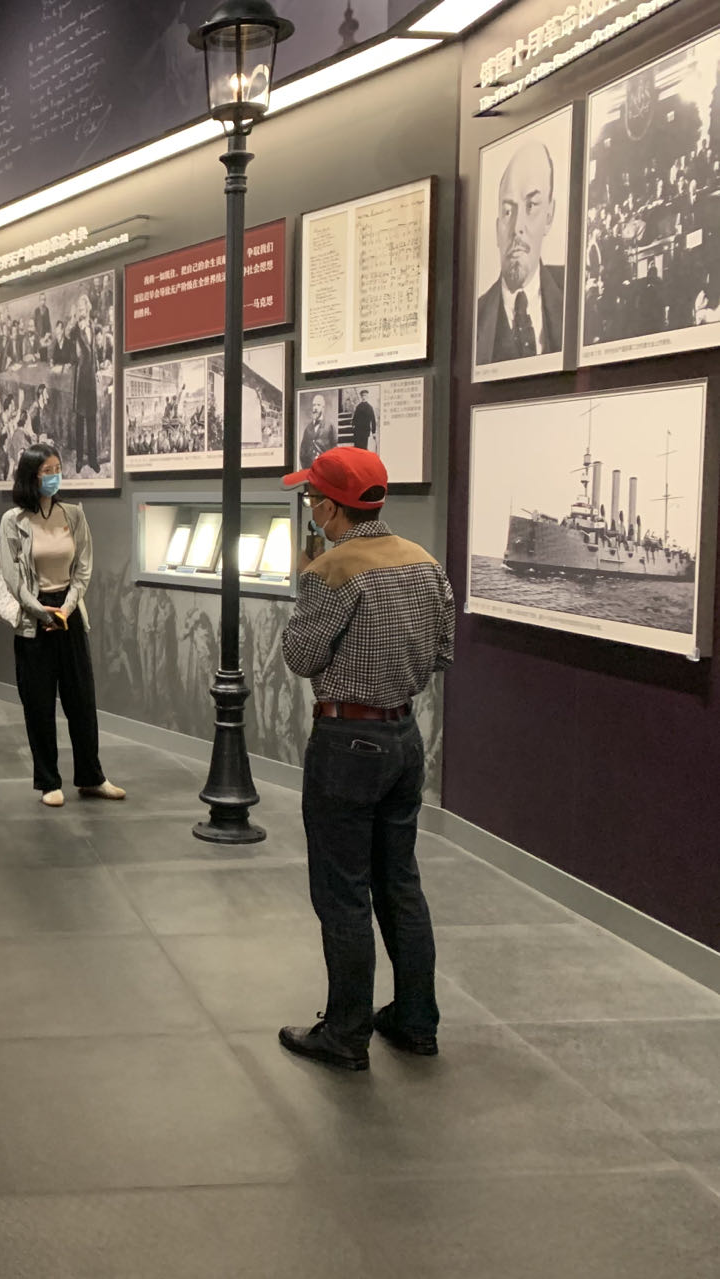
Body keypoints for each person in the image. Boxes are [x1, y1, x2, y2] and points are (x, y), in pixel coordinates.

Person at [276, 446, 455, 1073]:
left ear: (330, 507)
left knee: (342, 890)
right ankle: (416, 1021)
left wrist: (306, 579)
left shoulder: (332, 571)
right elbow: (442, 652)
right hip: (404, 737)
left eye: (310, 498)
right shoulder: (425, 563)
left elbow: (301, 657)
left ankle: (346, 1033)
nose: (309, 507)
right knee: (399, 882)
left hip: (345, 742)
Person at [0, 445, 126, 808]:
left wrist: (66, 610)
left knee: (81, 699)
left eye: (57, 468)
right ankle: (48, 781)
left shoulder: (73, 514)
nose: (54, 476)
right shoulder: (13, 520)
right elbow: (12, 577)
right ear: (30, 475)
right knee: (38, 703)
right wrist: (41, 612)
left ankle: (91, 776)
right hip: (34, 618)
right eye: (47, 470)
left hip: (69, 613)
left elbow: (83, 566)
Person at [477, 139, 564, 364]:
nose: (517, 227)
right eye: (508, 211)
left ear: (549, 216)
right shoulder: (475, 319)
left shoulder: (575, 294)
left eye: (531, 206)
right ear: (497, 228)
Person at [299, 395, 336, 470]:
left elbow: (335, 449)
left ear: (323, 408)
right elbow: (302, 451)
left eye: (318, 405)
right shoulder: (308, 428)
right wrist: (306, 469)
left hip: (325, 469)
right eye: (314, 405)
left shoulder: (330, 426)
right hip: (310, 469)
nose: (315, 408)